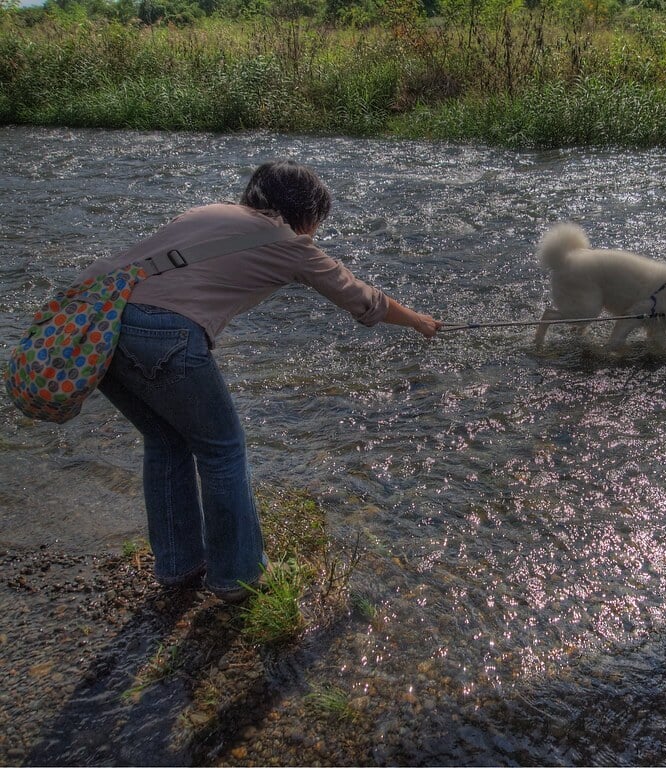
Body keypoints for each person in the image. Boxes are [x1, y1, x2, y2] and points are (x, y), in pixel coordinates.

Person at [79, 160, 441, 603]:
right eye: (318, 222)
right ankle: (238, 576)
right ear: (306, 213)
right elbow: (365, 300)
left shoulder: (204, 213)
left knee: (166, 442)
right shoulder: (288, 243)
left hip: (101, 330)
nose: (315, 233)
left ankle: (177, 567)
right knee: (223, 451)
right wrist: (420, 321)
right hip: (166, 335)